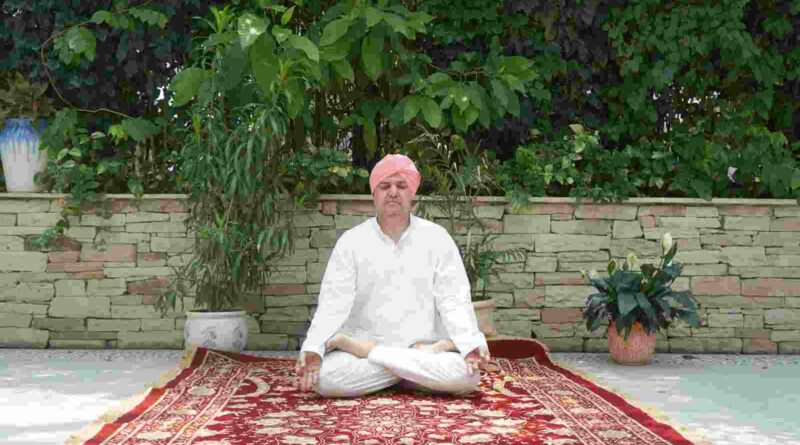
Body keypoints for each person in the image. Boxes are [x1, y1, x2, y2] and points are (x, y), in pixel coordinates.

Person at [293, 153, 491, 397]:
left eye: (401, 186)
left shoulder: (437, 238)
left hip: (401, 348)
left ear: (412, 193)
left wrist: (469, 342)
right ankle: (413, 375)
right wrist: (314, 346)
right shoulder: (352, 242)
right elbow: (333, 302)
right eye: (385, 186)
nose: (393, 192)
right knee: (325, 379)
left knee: (468, 376)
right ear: (374, 194)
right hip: (396, 355)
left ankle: (375, 356)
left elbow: (454, 299)